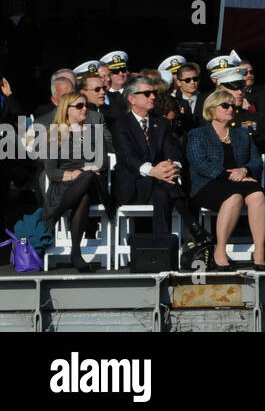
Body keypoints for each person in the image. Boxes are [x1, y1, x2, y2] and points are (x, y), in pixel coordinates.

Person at [113, 76, 209, 252]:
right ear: (132, 99)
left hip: (161, 182)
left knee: (163, 193)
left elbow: (172, 152)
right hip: (134, 185)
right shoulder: (121, 125)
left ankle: (162, 251)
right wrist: (153, 171)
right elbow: (128, 157)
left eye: (154, 93)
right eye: (147, 93)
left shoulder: (161, 123)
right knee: (165, 186)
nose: (152, 97)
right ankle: (194, 227)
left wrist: (173, 167)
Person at [186, 89, 265, 270]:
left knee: (258, 196)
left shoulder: (241, 133)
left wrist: (244, 169)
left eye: (232, 106)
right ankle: (220, 251)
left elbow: (256, 160)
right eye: (225, 105)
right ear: (212, 109)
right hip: (209, 183)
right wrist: (230, 175)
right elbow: (200, 163)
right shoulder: (198, 134)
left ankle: (260, 251)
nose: (230, 109)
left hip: (240, 179)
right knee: (234, 197)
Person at [42, 91, 114, 272]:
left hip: (94, 185)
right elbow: (51, 172)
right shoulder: (55, 135)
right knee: (84, 195)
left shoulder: (93, 132)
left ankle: (53, 215)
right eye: (80, 106)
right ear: (67, 110)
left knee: (88, 178)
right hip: (66, 188)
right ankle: (76, 253)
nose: (85, 110)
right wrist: (69, 175)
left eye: (86, 106)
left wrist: (80, 172)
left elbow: (103, 163)